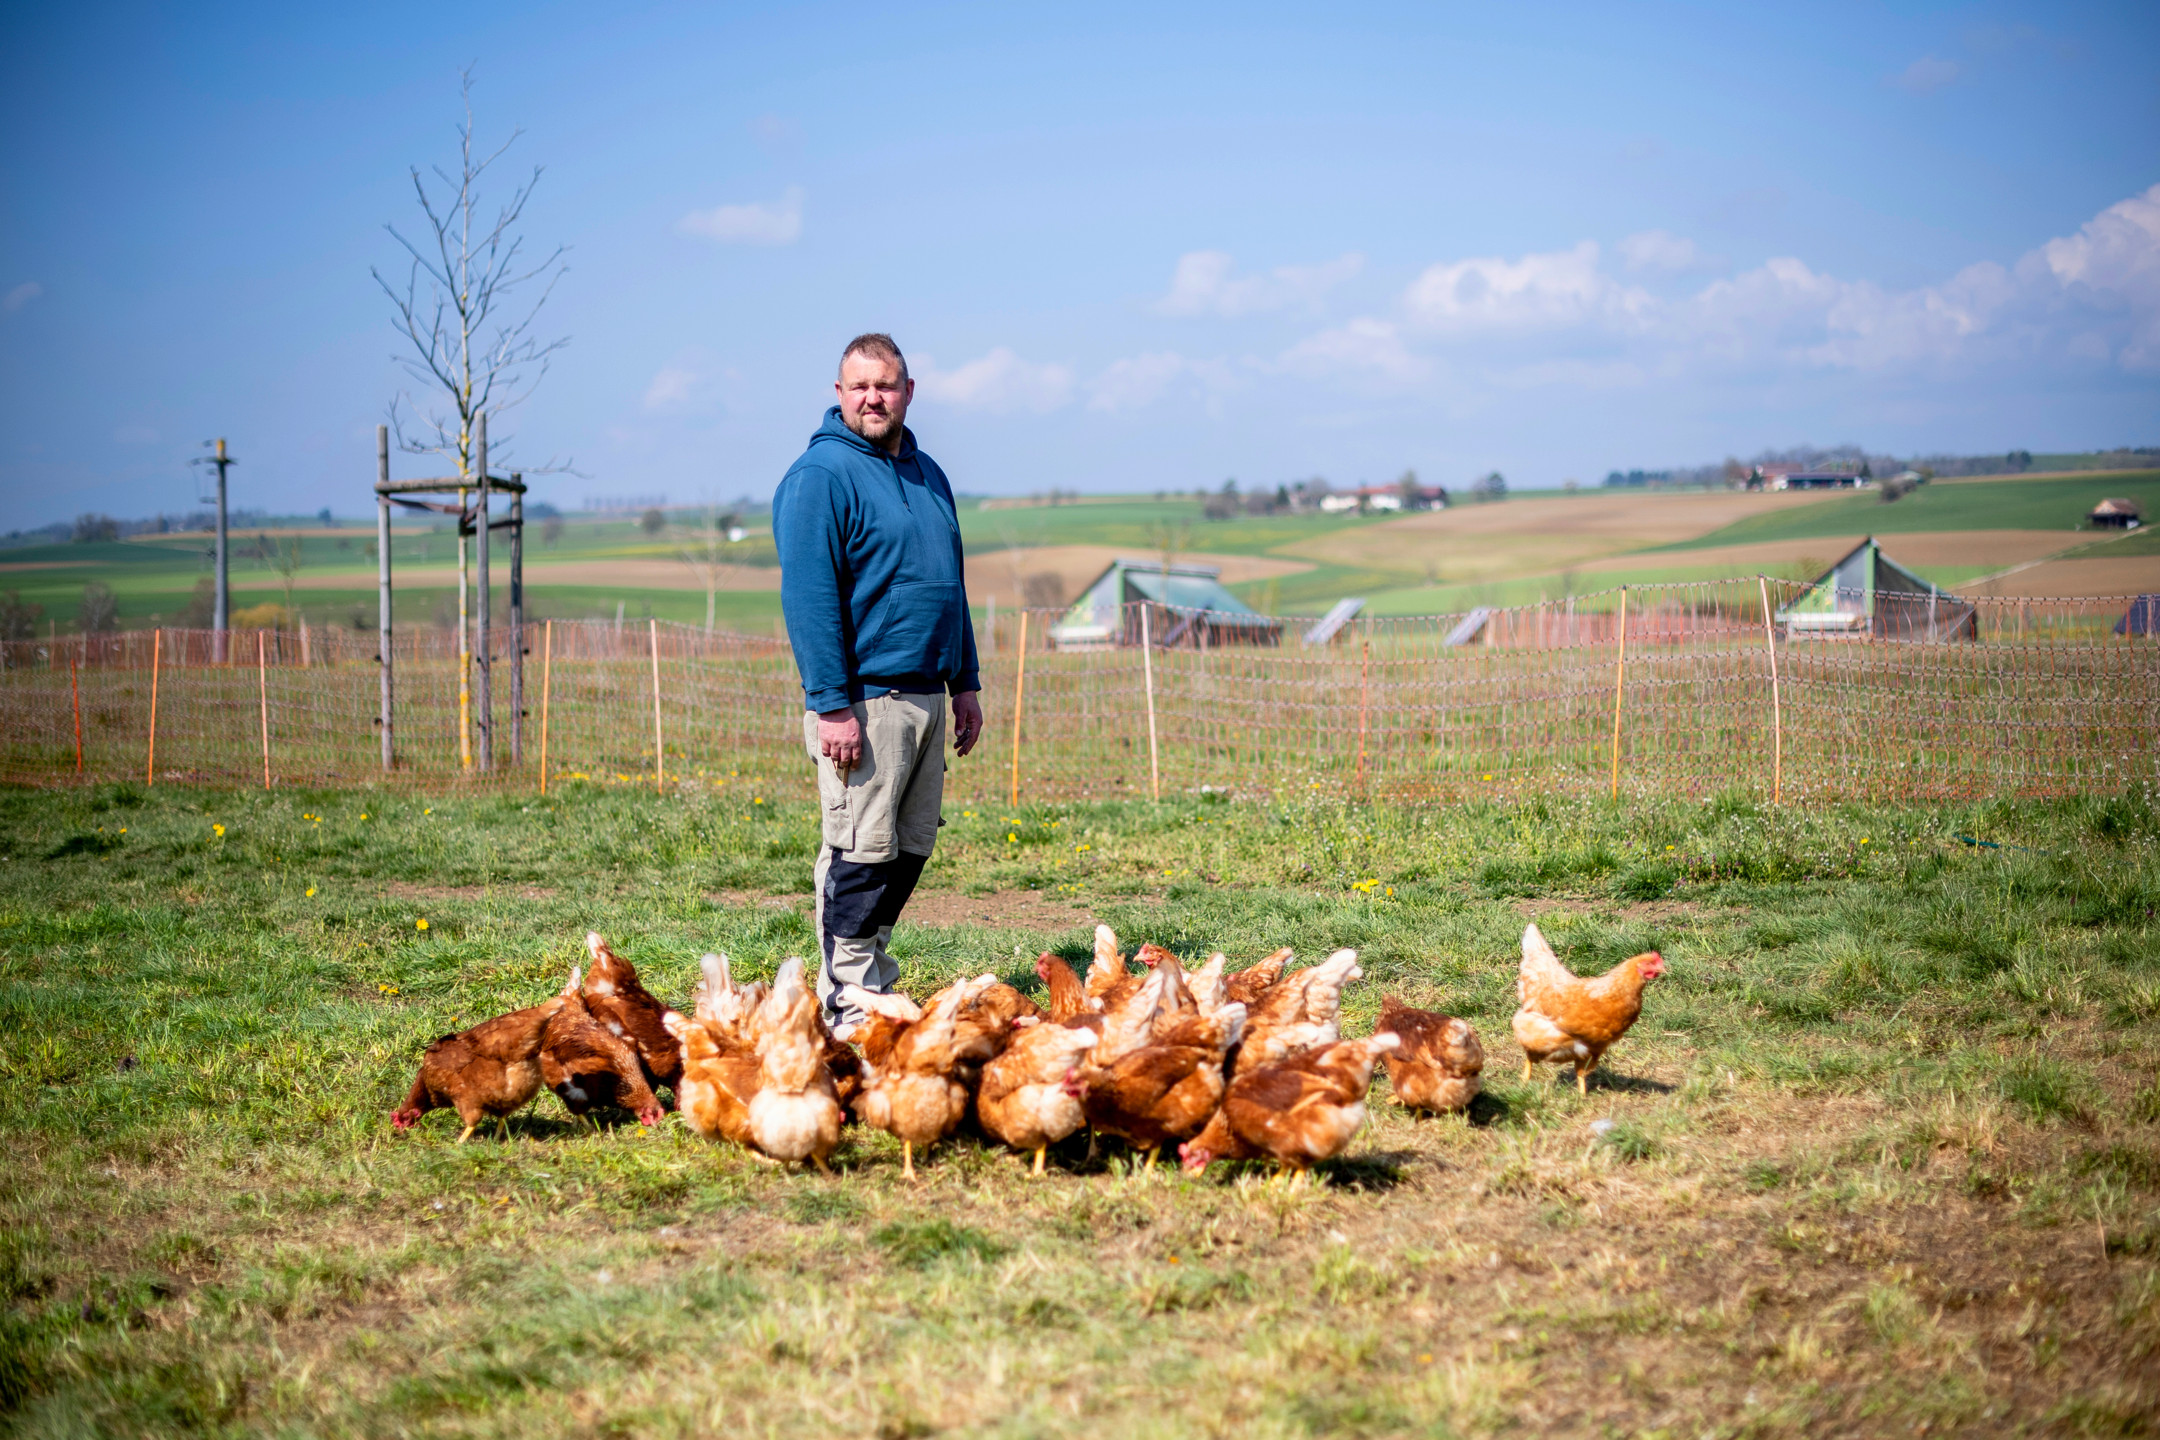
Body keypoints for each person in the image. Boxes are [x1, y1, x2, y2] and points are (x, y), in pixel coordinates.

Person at [773, 333, 985, 1033]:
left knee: (910, 845)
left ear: (908, 391)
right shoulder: (821, 477)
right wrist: (831, 705)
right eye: (859, 386)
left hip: (926, 690)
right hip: (864, 700)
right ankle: (847, 1000)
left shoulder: (930, 474)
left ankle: (868, 973)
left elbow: (948, 585)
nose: (873, 397)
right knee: (861, 851)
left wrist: (966, 681)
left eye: (885, 385)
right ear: (838, 394)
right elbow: (809, 600)